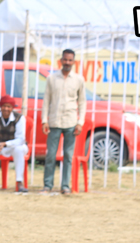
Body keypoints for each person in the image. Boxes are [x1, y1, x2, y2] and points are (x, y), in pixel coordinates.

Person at [42, 49, 85, 195]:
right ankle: (47, 185)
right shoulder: (52, 78)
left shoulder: (78, 80)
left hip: (71, 122)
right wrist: (44, 120)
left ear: (74, 62)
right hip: (54, 121)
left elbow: (82, 102)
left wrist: (80, 122)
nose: (67, 62)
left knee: (68, 155)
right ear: (61, 60)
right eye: (65, 59)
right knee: (50, 155)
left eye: (70, 60)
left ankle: (65, 186)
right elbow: (46, 100)